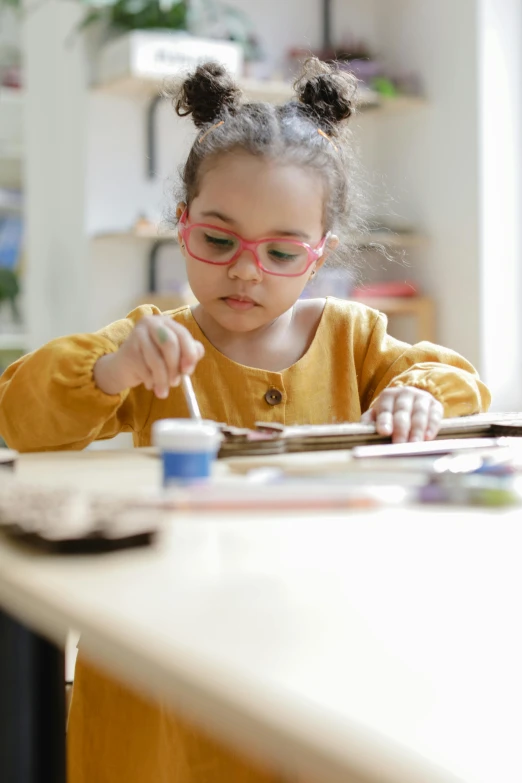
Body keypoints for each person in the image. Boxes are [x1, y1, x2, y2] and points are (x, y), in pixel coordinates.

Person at [0, 59, 490, 781]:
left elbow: (461, 386)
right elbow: (18, 414)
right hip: (167, 653)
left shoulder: (354, 337)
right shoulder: (153, 340)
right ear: (182, 226)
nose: (245, 272)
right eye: (219, 240)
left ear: (319, 253)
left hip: (317, 641)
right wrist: (113, 371)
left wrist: (415, 393)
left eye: (282, 252)